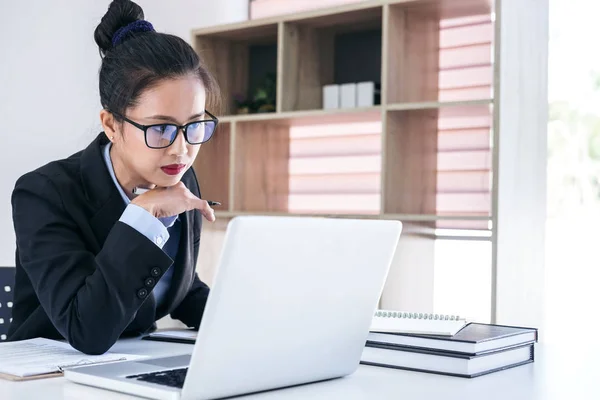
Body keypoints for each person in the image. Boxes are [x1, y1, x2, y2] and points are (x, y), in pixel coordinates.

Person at [7, 0, 221, 355]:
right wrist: (140, 217)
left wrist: (249, 324)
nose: (181, 149)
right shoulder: (44, 193)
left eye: (194, 125)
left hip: (131, 362)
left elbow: (176, 286)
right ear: (111, 125)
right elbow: (85, 328)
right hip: (45, 375)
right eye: (161, 128)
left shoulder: (178, 176)